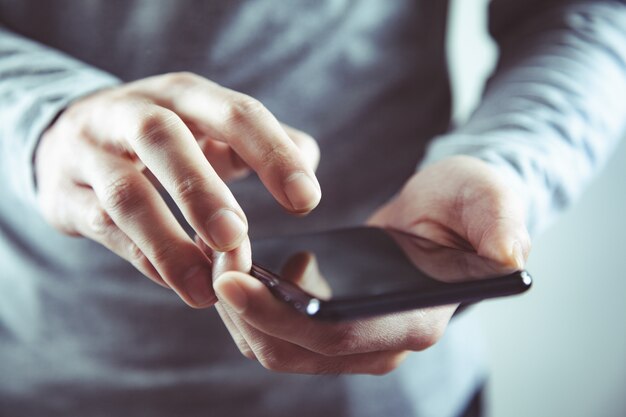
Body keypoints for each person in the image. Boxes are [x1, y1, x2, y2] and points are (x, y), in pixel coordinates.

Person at [0, 0, 624, 416]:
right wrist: (40, 118)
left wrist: (505, 163)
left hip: (396, 399)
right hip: (39, 379)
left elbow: (586, 14)